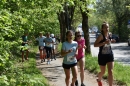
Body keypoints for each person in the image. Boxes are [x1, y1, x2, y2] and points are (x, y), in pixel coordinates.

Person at [94, 22, 116, 86]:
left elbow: (109, 41)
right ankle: (99, 79)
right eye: (105, 27)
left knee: (110, 72)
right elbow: (95, 45)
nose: (107, 29)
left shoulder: (110, 34)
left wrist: (112, 41)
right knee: (103, 72)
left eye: (108, 27)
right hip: (102, 56)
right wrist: (104, 43)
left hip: (109, 55)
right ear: (102, 29)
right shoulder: (101, 36)